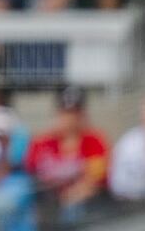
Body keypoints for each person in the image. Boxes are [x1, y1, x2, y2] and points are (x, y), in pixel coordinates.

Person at [26, 85, 109, 221]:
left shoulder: (95, 141)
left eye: (74, 112)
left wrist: (70, 196)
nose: (70, 118)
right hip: (47, 205)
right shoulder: (42, 143)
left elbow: (94, 181)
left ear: (82, 114)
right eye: (65, 112)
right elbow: (31, 176)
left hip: (83, 206)